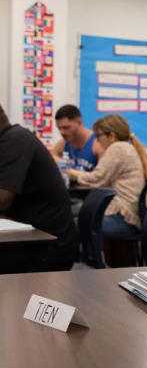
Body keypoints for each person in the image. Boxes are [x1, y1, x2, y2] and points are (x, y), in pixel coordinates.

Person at [0, 103, 77, 273]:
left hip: (48, 246)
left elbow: (2, 201)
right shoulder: (11, 140)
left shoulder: (14, 142)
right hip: (32, 238)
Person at [69, 114, 147, 237]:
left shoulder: (118, 148)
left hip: (122, 218)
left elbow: (96, 179)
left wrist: (69, 172)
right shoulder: (128, 147)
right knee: (75, 213)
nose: (97, 140)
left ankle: (79, 256)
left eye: (98, 136)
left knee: (74, 223)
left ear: (112, 136)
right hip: (127, 217)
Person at [51, 104, 103, 171]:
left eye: (66, 127)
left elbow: (101, 178)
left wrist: (65, 168)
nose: (62, 132)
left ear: (79, 122)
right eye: (59, 128)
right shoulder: (62, 144)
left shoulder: (98, 143)